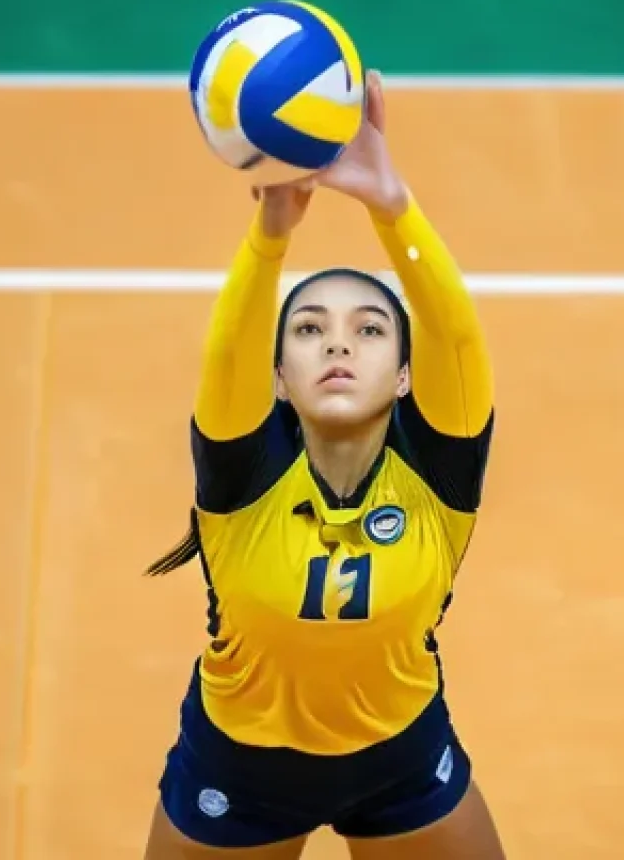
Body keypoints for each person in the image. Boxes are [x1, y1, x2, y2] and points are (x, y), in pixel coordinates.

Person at [143, 71, 505, 859]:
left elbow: (456, 338)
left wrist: (392, 206)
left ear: (406, 376)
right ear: (278, 376)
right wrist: (272, 233)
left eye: (370, 329)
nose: (339, 341)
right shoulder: (243, 479)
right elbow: (229, 349)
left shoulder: (437, 477)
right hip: (238, 773)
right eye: (308, 329)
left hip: (403, 760)